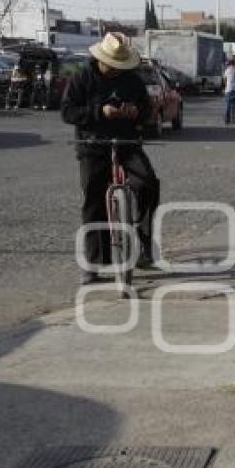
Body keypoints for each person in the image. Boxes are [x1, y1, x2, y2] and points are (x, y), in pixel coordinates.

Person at [61, 32, 160, 285]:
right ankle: (93, 263)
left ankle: (144, 243)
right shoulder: (83, 77)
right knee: (93, 199)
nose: (117, 70)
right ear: (101, 59)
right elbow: (67, 111)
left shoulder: (132, 79)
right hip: (93, 146)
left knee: (149, 183)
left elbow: (147, 111)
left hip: (126, 143)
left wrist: (136, 112)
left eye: (120, 66)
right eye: (113, 65)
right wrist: (100, 112)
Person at [223, 58, 235, 124]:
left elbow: (225, 80)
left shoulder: (227, 70)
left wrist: (226, 86)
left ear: (229, 64)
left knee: (228, 105)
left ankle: (227, 120)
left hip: (229, 90)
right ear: (234, 64)